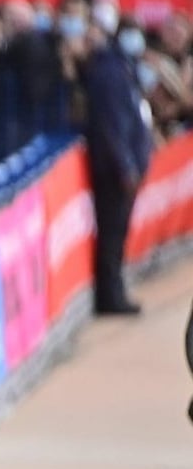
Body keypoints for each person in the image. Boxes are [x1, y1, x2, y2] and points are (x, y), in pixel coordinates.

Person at [79, 17, 154, 316]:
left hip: (123, 166)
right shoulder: (111, 71)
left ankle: (115, 292)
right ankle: (111, 296)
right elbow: (113, 126)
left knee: (117, 234)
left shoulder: (123, 67)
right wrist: (126, 167)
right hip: (114, 171)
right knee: (112, 234)